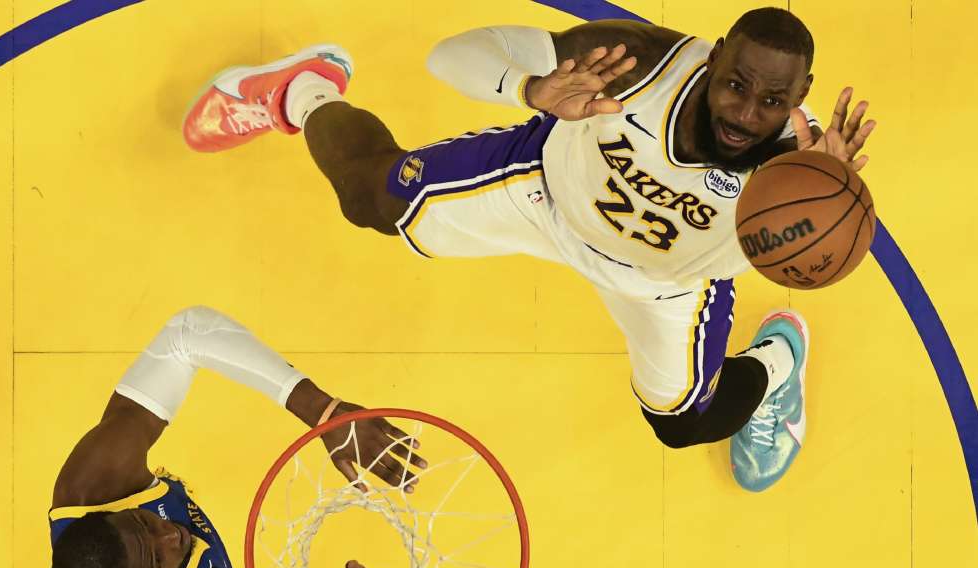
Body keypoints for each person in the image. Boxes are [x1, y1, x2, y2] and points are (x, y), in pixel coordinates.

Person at [182, 8, 876, 491]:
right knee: (370, 198)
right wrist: (532, 88)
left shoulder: (803, 169)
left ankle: (779, 361)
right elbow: (450, 56)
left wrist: (828, 192)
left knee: (684, 423)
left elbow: (809, 252)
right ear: (716, 53)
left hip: (663, 287)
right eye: (735, 85)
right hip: (545, 194)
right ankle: (303, 91)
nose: (745, 114)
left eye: (772, 100)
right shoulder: (637, 61)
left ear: (802, 95)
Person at [0, 306, 422, 568]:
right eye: (158, 559)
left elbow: (186, 333)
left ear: (102, 516)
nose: (171, 535)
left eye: (144, 524)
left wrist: (323, 411)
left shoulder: (91, 487)